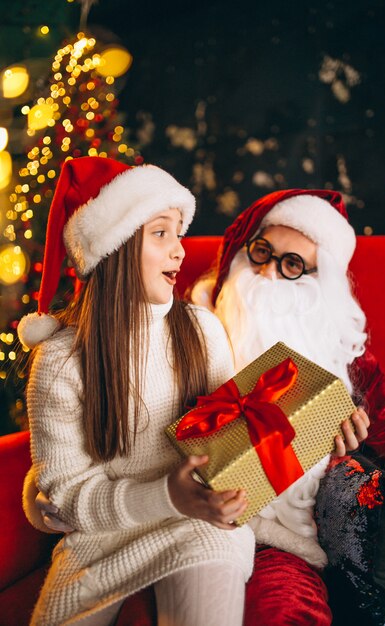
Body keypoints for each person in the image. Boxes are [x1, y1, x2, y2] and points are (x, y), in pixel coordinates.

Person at [17, 156, 257, 626]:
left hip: (198, 525)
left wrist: (308, 434)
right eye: (161, 233)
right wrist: (166, 493)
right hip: (100, 541)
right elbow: (66, 495)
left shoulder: (202, 332)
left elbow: (233, 446)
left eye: (179, 234)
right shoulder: (61, 361)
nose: (180, 252)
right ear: (116, 247)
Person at [191, 188, 385, 624]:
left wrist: (350, 453)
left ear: (320, 280)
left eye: (292, 264)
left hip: (312, 527)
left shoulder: (347, 358)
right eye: (262, 252)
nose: (268, 275)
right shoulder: (195, 332)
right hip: (228, 530)